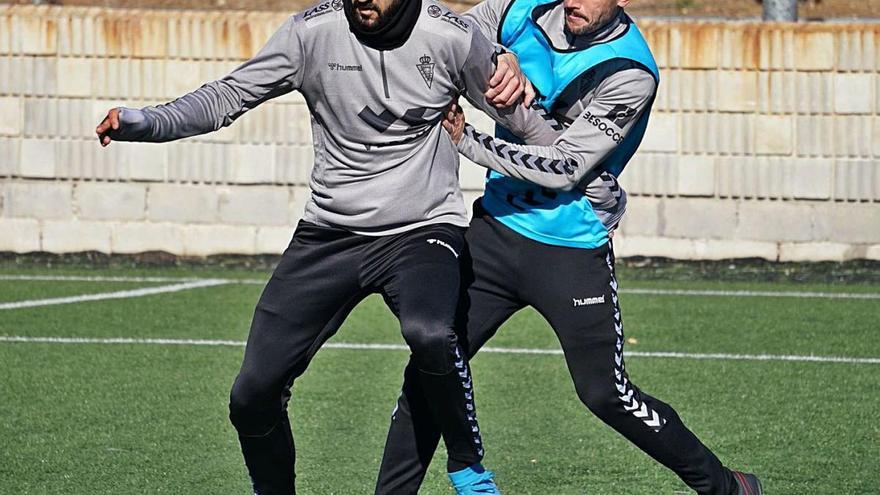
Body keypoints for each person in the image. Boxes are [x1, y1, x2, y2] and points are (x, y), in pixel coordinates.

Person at [94, 1, 556, 493]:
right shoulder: (310, 33)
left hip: (423, 229)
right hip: (329, 233)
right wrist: (145, 122)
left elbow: (529, 125)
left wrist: (589, 176)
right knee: (251, 396)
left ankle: (468, 469)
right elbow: (226, 97)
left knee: (429, 332)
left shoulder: (452, 38)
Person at [374, 1, 764, 494]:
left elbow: (564, 168)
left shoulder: (630, 71)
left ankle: (727, 488)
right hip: (495, 231)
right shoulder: (518, 8)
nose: (573, 1)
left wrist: (467, 138)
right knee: (431, 369)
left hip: (570, 249)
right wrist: (498, 56)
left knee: (604, 393)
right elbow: (454, 31)